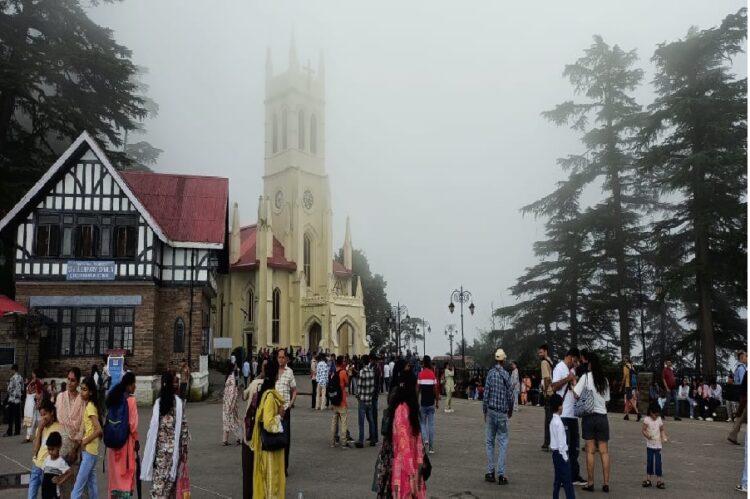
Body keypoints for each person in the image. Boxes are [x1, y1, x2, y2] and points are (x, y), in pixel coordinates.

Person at [141, 372, 188, 498]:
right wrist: (184, 451)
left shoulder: (159, 403)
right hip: (173, 453)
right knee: (169, 485)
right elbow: (184, 428)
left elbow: (153, 428)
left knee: (159, 485)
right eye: (175, 382)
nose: (177, 384)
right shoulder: (177, 404)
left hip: (161, 453)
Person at [573, 352, 611, 493]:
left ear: (590, 364)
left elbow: (576, 394)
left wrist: (573, 384)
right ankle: (606, 483)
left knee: (590, 452)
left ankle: (590, 483)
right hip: (602, 417)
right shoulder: (605, 380)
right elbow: (607, 400)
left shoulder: (586, 377)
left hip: (589, 417)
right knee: (604, 452)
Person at [251, 356, 286, 498]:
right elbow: (268, 423)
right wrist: (280, 416)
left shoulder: (266, 394)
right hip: (270, 448)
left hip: (267, 446)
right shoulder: (270, 397)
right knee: (272, 482)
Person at [551, 348, 586, 486]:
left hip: (573, 415)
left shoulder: (572, 371)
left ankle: (574, 475)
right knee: (564, 447)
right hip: (564, 414)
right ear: (571, 357)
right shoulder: (559, 368)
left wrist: (574, 381)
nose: (576, 364)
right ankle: (561, 478)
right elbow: (554, 387)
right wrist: (568, 379)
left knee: (574, 449)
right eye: (575, 361)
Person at [390, 370, 426, 498]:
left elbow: (418, 441)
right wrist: (412, 474)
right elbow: (403, 445)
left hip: (414, 468)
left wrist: (419, 467)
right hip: (405, 471)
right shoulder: (402, 409)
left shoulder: (411, 408)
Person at [483, 348, 514, 485]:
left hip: (491, 411)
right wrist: (511, 410)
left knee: (490, 442)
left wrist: (485, 411)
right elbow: (511, 396)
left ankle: (490, 472)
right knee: (503, 442)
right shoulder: (506, 375)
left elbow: (486, 395)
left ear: (496, 359)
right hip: (502, 413)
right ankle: (501, 475)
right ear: (503, 360)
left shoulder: (490, 374)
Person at [105, 372, 139, 498]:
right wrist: (136, 441)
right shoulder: (131, 400)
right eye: (134, 383)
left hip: (113, 445)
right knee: (126, 475)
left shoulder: (114, 398)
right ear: (129, 386)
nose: (135, 386)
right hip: (126, 444)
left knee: (114, 477)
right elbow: (133, 426)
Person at [71, 377, 102, 499]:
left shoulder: (90, 407)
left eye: (85, 390)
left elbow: (98, 429)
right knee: (91, 482)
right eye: (81, 389)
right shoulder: (90, 405)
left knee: (78, 486)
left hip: (89, 450)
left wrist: (84, 441)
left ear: (91, 392)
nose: (82, 392)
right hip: (91, 450)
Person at [55, 367, 83, 497]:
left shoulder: (82, 400)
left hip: (75, 446)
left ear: (78, 382)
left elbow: (83, 426)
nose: (70, 383)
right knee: (61, 483)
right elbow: (56, 421)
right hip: (60, 445)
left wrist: (75, 448)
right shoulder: (60, 397)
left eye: (73, 380)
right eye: (68, 379)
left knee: (75, 482)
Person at [29, 398, 61, 498]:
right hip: (36, 465)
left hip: (48, 468)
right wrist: (39, 430)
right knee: (31, 495)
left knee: (47, 494)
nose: (43, 418)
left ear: (52, 412)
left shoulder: (58, 428)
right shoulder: (40, 428)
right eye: (41, 415)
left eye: (45, 414)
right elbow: (35, 449)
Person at [242, 361, 265, 499]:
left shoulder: (255, 383)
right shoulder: (272, 387)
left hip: (249, 431)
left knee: (248, 471)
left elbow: (244, 395)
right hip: (263, 434)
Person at [275, 349, 297, 475]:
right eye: (279, 357)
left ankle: (284, 467)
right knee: (273, 438)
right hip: (273, 409)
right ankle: (275, 464)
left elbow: (295, 390)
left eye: (283, 357)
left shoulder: (289, 372)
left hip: (285, 410)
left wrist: (289, 404)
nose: (281, 359)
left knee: (285, 439)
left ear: (286, 358)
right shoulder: (274, 372)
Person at [549, 394, 574, 499]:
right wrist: (565, 457)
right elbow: (561, 443)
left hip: (555, 454)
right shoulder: (559, 423)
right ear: (559, 407)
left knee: (558, 479)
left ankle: (555, 497)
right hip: (561, 454)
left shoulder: (552, 421)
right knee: (568, 481)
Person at [641, 401, 668, 489]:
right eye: (655, 415)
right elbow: (643, 430)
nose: (656, 417)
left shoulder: (659, 419)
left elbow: (662, 430)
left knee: (658, 463)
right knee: (650, 462)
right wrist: (647, 435)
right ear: (651, 412)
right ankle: (648, 479)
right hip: (650, 445)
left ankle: (659, 481)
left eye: (658, 415)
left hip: (658, 445)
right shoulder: (647, 419)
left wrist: (664, 436)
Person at [416, 355, 439, 454]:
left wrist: (416, 401)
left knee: (422, 423)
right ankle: (431, 448)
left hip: (423, 403)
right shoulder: (433, 375)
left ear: (423, 363)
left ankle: (425, 439)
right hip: (431, 403)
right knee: (431, 425)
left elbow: (417, 390)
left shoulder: (420, 375)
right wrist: (437, 401)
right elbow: (436, 390)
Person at [42, 431, 73, 499]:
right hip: (45, 492)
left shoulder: (60, 462)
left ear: (59, 447)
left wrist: (60, 481)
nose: (50, 452)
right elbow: (43, 472)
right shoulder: (47, 459)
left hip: (54, 493)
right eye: (49, 449)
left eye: (52, 449)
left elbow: (70, 472)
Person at [355, 354, 377, 448]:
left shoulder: (362, 372)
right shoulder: (372, 372)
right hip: (369, 399)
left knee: (361, 421)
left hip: (362, 400)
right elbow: (373, 386)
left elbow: (358, 387)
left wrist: (358, 396)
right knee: (371, 420)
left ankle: (361, 440)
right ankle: (372, 440)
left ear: (363, 362)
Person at [330, 356, 352, 448]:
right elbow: (347, 383)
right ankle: (343, 442)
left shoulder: (334, 373)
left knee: (334, 422)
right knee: (343, 422)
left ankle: (332, 442)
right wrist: (349, 374)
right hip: (342, 401)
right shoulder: (343, 372)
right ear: (342, 362)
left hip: (334, 400)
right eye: (344, 361)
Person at [539, 344, 554, 451]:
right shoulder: (550, 361)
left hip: (548, 393)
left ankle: (547, 442)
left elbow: (547, 378)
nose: (539, 354)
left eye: (541, 352)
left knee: (548, 420)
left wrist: (545, 391)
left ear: (545, 351)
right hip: (553, 392)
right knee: (551, 419)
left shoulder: (544, 362)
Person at [24, 370, 44, 442]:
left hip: (32, 402)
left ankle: (29, 436)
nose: (31, 374)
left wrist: (38, 402)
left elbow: (39, 393)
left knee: (33, 419)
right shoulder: (33, 381)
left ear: (35, 374)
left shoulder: (37, 382)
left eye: (32, 373)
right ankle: (36, 435)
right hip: (30, 401)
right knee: (36, 419)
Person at [222, 371, 242, 445]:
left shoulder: (227, 380)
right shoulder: (233, 380)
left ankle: (225, 440)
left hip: (225, 404)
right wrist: (231, 406)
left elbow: (225, 394)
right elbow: (233, 394)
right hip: (231, 406)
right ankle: (238, 439)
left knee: (226, 421)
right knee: (235, 422)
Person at [5, 363, 24, 437]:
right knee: (17, 416)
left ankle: (9, 431)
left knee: (10, 416)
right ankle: (17, 431)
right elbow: (22, 388)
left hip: (12, 399)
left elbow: (9, 389)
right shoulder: (21, 377)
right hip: (18, 399)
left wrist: (8, 385)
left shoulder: (12, 378)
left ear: (13, 370)